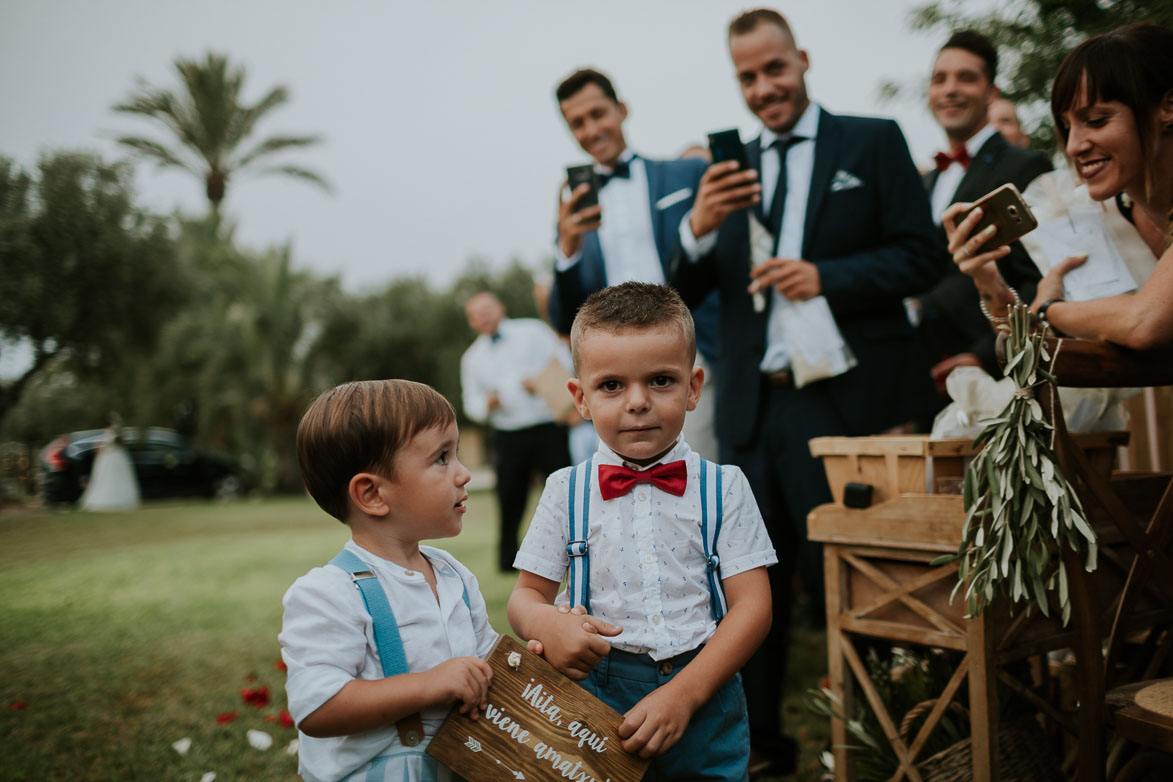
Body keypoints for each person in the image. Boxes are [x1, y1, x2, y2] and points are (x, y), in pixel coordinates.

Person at [670, 9, 942, 772]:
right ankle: (758, 747)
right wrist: (696, 226)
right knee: (749, 582)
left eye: (774, 69)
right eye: (748, 77)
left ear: (802, 60)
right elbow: (688, 287)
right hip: (758, 409)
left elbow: (921, 258)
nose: (764, 88)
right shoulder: (726, 171)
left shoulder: (872, 139)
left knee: (855, 580)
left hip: (848, 402)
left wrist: (828, 277)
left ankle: (887, 734)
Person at [508, 282, 776, 781]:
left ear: (693, 387)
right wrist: (549, 625)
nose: (637, 402)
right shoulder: (565, 490)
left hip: (704, 688)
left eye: (660, 380)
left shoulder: (725, 486)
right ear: (580, 397)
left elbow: (753, 606)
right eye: (611, 385)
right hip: (597, 693)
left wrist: (687, 693)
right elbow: (526, 597)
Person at [280, 379, 535, 782]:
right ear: (372, 495)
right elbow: (317, 708)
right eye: (442, 459)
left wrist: (531, 665)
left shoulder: (452, 574)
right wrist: (429, 685)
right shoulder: (329, 592)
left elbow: (485, 664)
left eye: (457, 454)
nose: (464, 474)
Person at [947, 22, 1173, 349]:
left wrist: (1052, 309)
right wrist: (989, 281)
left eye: (1096, 120)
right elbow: (1042, 345)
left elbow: (1142, 322)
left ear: (1167, 107)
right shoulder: (1099, 213)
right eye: (1067, 128)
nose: (1073, 147)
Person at [549, 67, 722, 461]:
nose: (591, 130)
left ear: (622, 109)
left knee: (697, 477)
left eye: (598, 114)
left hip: (689, 362)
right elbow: (562, 316)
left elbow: (722, 263)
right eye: (577, 123)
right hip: (613, 380)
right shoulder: (570, 208)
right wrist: (567, 248)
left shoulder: (687, 174)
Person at [911, 31, 1052, 394]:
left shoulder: (1026, 166)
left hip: (996, 379)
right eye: (939, 79)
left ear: (992, 93)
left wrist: (987, 355)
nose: (950, 89)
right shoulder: (927, 182)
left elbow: (1041, 275)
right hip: (928, 377)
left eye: (966, 77)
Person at [460, 292, 572, 571]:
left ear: (500, 307)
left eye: (487, 309)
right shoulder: (472, 358)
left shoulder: (532, 331)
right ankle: (507, 560)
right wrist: (488, 403)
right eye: (476, 314)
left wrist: (540, 382)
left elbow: (565, 361)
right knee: (509, 496)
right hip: (508, 433)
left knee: (564, 489)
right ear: (472, 322)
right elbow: (471, 404)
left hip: (547, 425)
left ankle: (575, 548)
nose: (483, 317)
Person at [80, 414, 141, 511]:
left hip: (112, 456)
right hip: (111, 456)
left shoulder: (115, 431)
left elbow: (114, 443)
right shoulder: (111, 431)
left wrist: (102, 447)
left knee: (113, 477)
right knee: (106, 477)